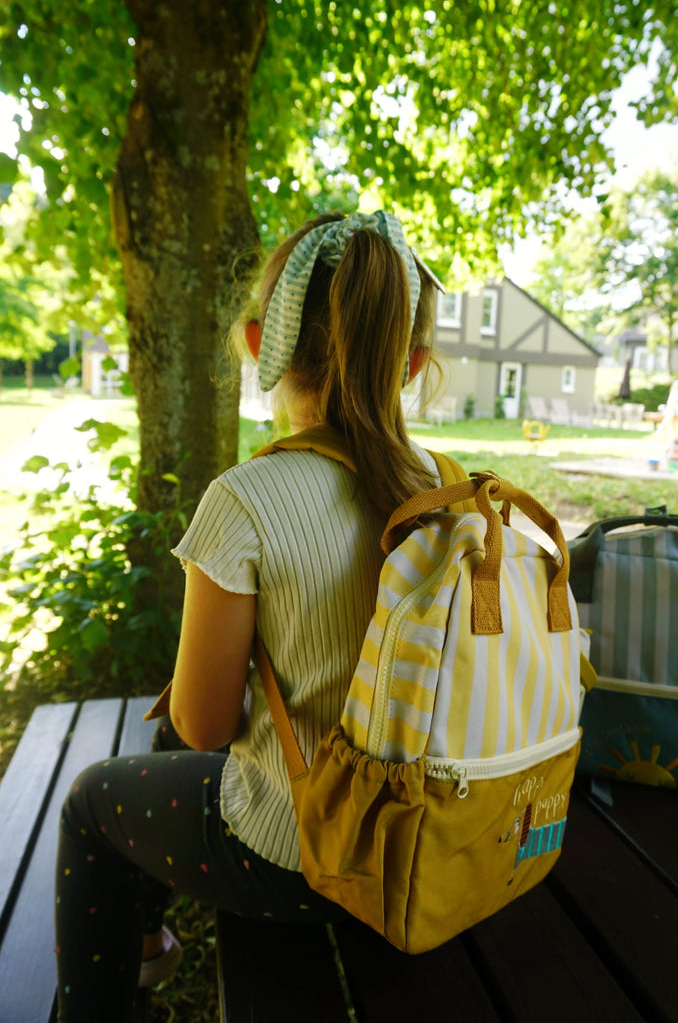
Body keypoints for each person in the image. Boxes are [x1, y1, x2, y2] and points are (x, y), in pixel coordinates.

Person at [54, 210, 445, 1022]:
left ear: (260, 341)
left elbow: (204, 726)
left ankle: (131, 970)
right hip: (431, 837)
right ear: (410, 363)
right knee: (162, 739)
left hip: (305, 861)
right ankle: (152, 937)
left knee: (92, 802)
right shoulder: (446, 483)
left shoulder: (245, 500)